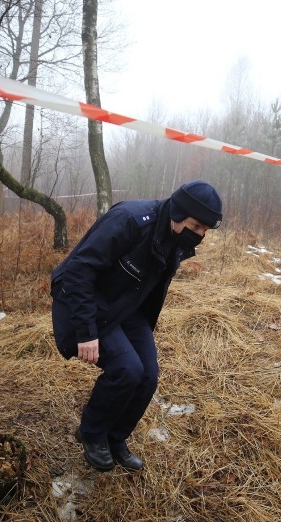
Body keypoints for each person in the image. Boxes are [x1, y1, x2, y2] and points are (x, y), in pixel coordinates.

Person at [50, 180, 222, 472]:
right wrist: (86, 331)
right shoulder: (130, 220)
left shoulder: (176, 238)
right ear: (178, 213)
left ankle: (115, 438)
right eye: (196, 227)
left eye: (205, 231)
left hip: (125, 307)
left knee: (148, 375)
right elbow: (79, 270)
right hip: (87, 302)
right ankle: (92, 433)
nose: (199, 236)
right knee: (127, 369)